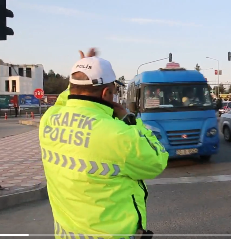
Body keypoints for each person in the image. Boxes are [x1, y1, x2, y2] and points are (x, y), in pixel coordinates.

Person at [39, 53, 169, 239]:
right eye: (114, 90)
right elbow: (156, 160)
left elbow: (66, 99)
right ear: (106, 93)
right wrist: (129, 119)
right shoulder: (118, 133)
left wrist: (83, 70)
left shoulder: (50, 119)